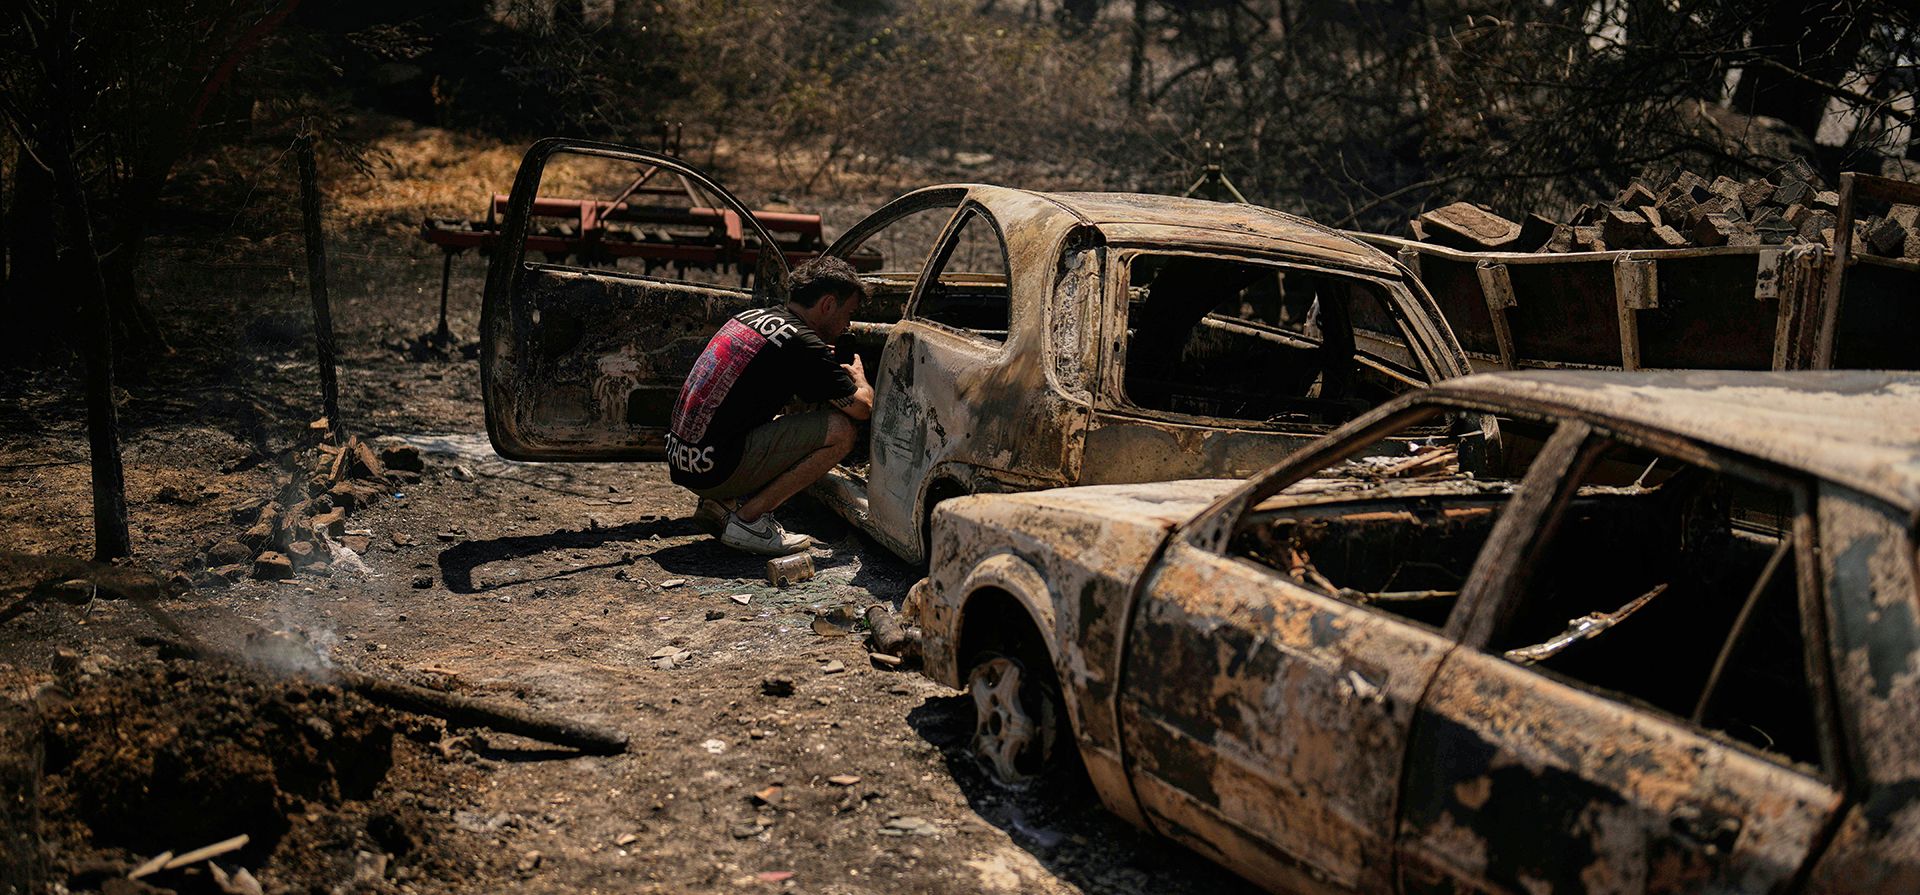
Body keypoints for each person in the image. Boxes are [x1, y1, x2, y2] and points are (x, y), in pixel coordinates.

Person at [664, 257, 874, 555]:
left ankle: (724, 501)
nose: (847, 325)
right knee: (841, 431)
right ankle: (749, 521)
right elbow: (862, 408)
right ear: (827, 305)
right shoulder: (804, 345)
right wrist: (861, 378)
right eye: (847, 313)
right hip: (711, 471)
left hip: (683, 460)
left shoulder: (753, 317)